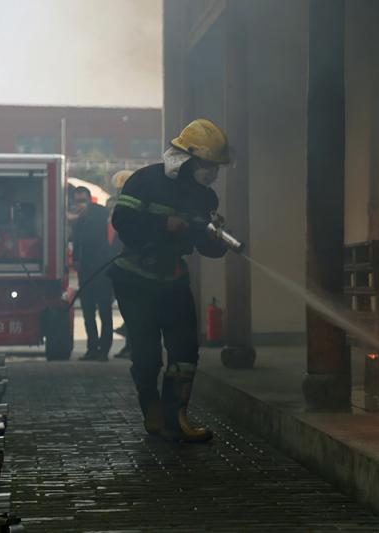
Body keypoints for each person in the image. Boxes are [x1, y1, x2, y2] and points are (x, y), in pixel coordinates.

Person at [110, 119, 230, 442]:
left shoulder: (206, 199)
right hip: (136, 281)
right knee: (148, 355)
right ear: (188, 158)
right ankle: (151, 405)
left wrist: (218, 245)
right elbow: (122, 220)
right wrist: (164, 224)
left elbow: (203, 243)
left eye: (216, 167)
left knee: (185, 350)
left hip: (172, 280)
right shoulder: (145, 181)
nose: (212, 172)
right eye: (207, 165)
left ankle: (177, 417)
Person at [71, 186, 115, 362]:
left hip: (102, 270)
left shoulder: (99, 214)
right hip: (85, 271)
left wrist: (85, 211)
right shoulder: (79, 221)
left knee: (104, 311)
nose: (80, 205)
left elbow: (94, 236)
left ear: (90, 200)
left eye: (83, 200)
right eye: (77, 201)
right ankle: (92, 348)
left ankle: (103, 350)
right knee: (88, 312)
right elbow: (76, 242)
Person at [109, 170, 134, 360]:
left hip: (133, 269)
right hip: (122, 267)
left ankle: (132, 346)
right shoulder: (118, 209)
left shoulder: (134, 211)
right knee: (127, 311)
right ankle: (129, 345)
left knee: (134, 313)